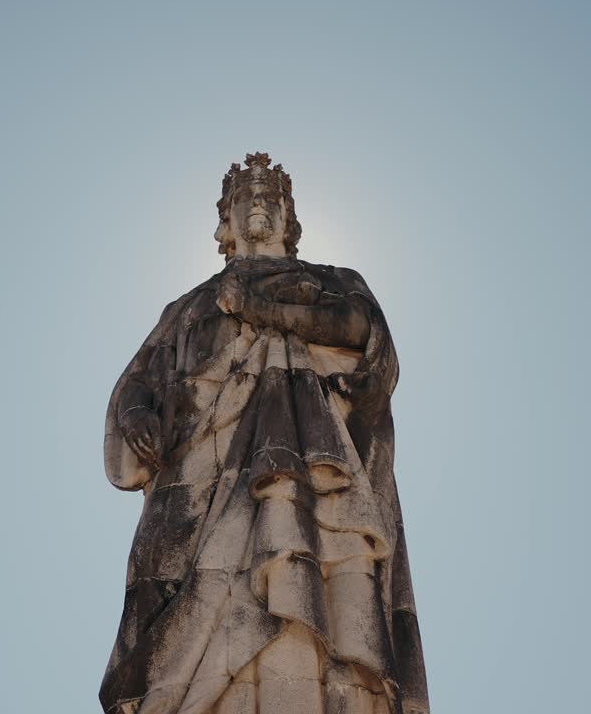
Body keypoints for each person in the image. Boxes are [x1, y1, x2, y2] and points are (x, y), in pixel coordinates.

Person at [101, 153, 429, 714]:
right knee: (162, 594)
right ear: (223, 224)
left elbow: (365, 339)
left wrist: (263, 309)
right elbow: (138, 383)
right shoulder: (186, 309)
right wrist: (134, 416)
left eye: (271, 198)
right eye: (244, 198)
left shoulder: (331, 282)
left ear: (290, 222)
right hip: (195, 477)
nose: (259, 205)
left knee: (320, 603)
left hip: (310, 470)